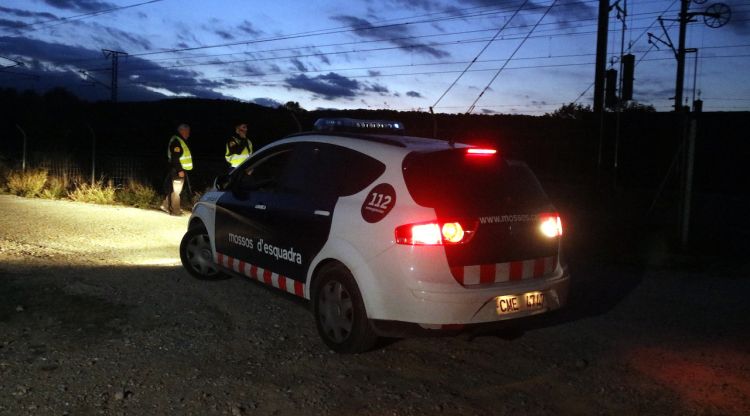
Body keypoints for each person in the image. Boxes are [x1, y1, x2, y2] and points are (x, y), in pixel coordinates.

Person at [161, 123, 193, 215]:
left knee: (175, 190)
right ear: (181, 131)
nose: (188, 134)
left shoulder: (179, 140)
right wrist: (180, 170)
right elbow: (175, 158)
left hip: (178, 169)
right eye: (187, 132)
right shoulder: (177, 142)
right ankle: (176, 211)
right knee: (177, 191)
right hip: (177, 170)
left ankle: (165, 205)